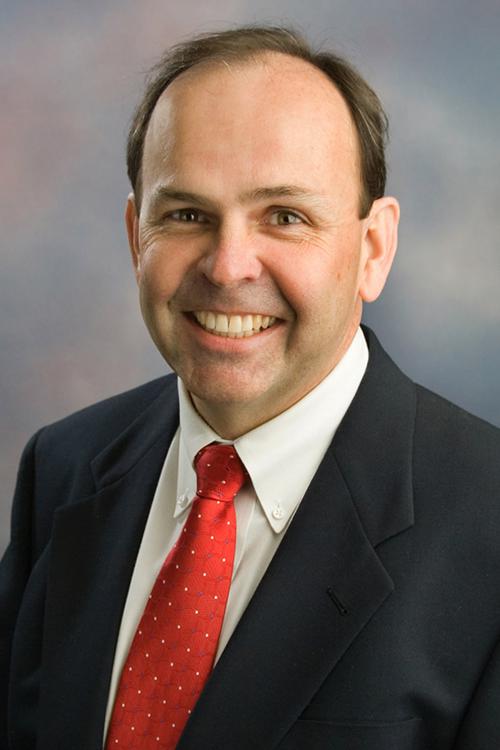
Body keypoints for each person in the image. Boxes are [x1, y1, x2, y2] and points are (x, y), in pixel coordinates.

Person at [1, 25, 499, 750]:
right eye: (187, 215)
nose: (228, 265)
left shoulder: (488, 523)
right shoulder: (63, 469)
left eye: (285, 217)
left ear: (372, 249)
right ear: (137, 235)